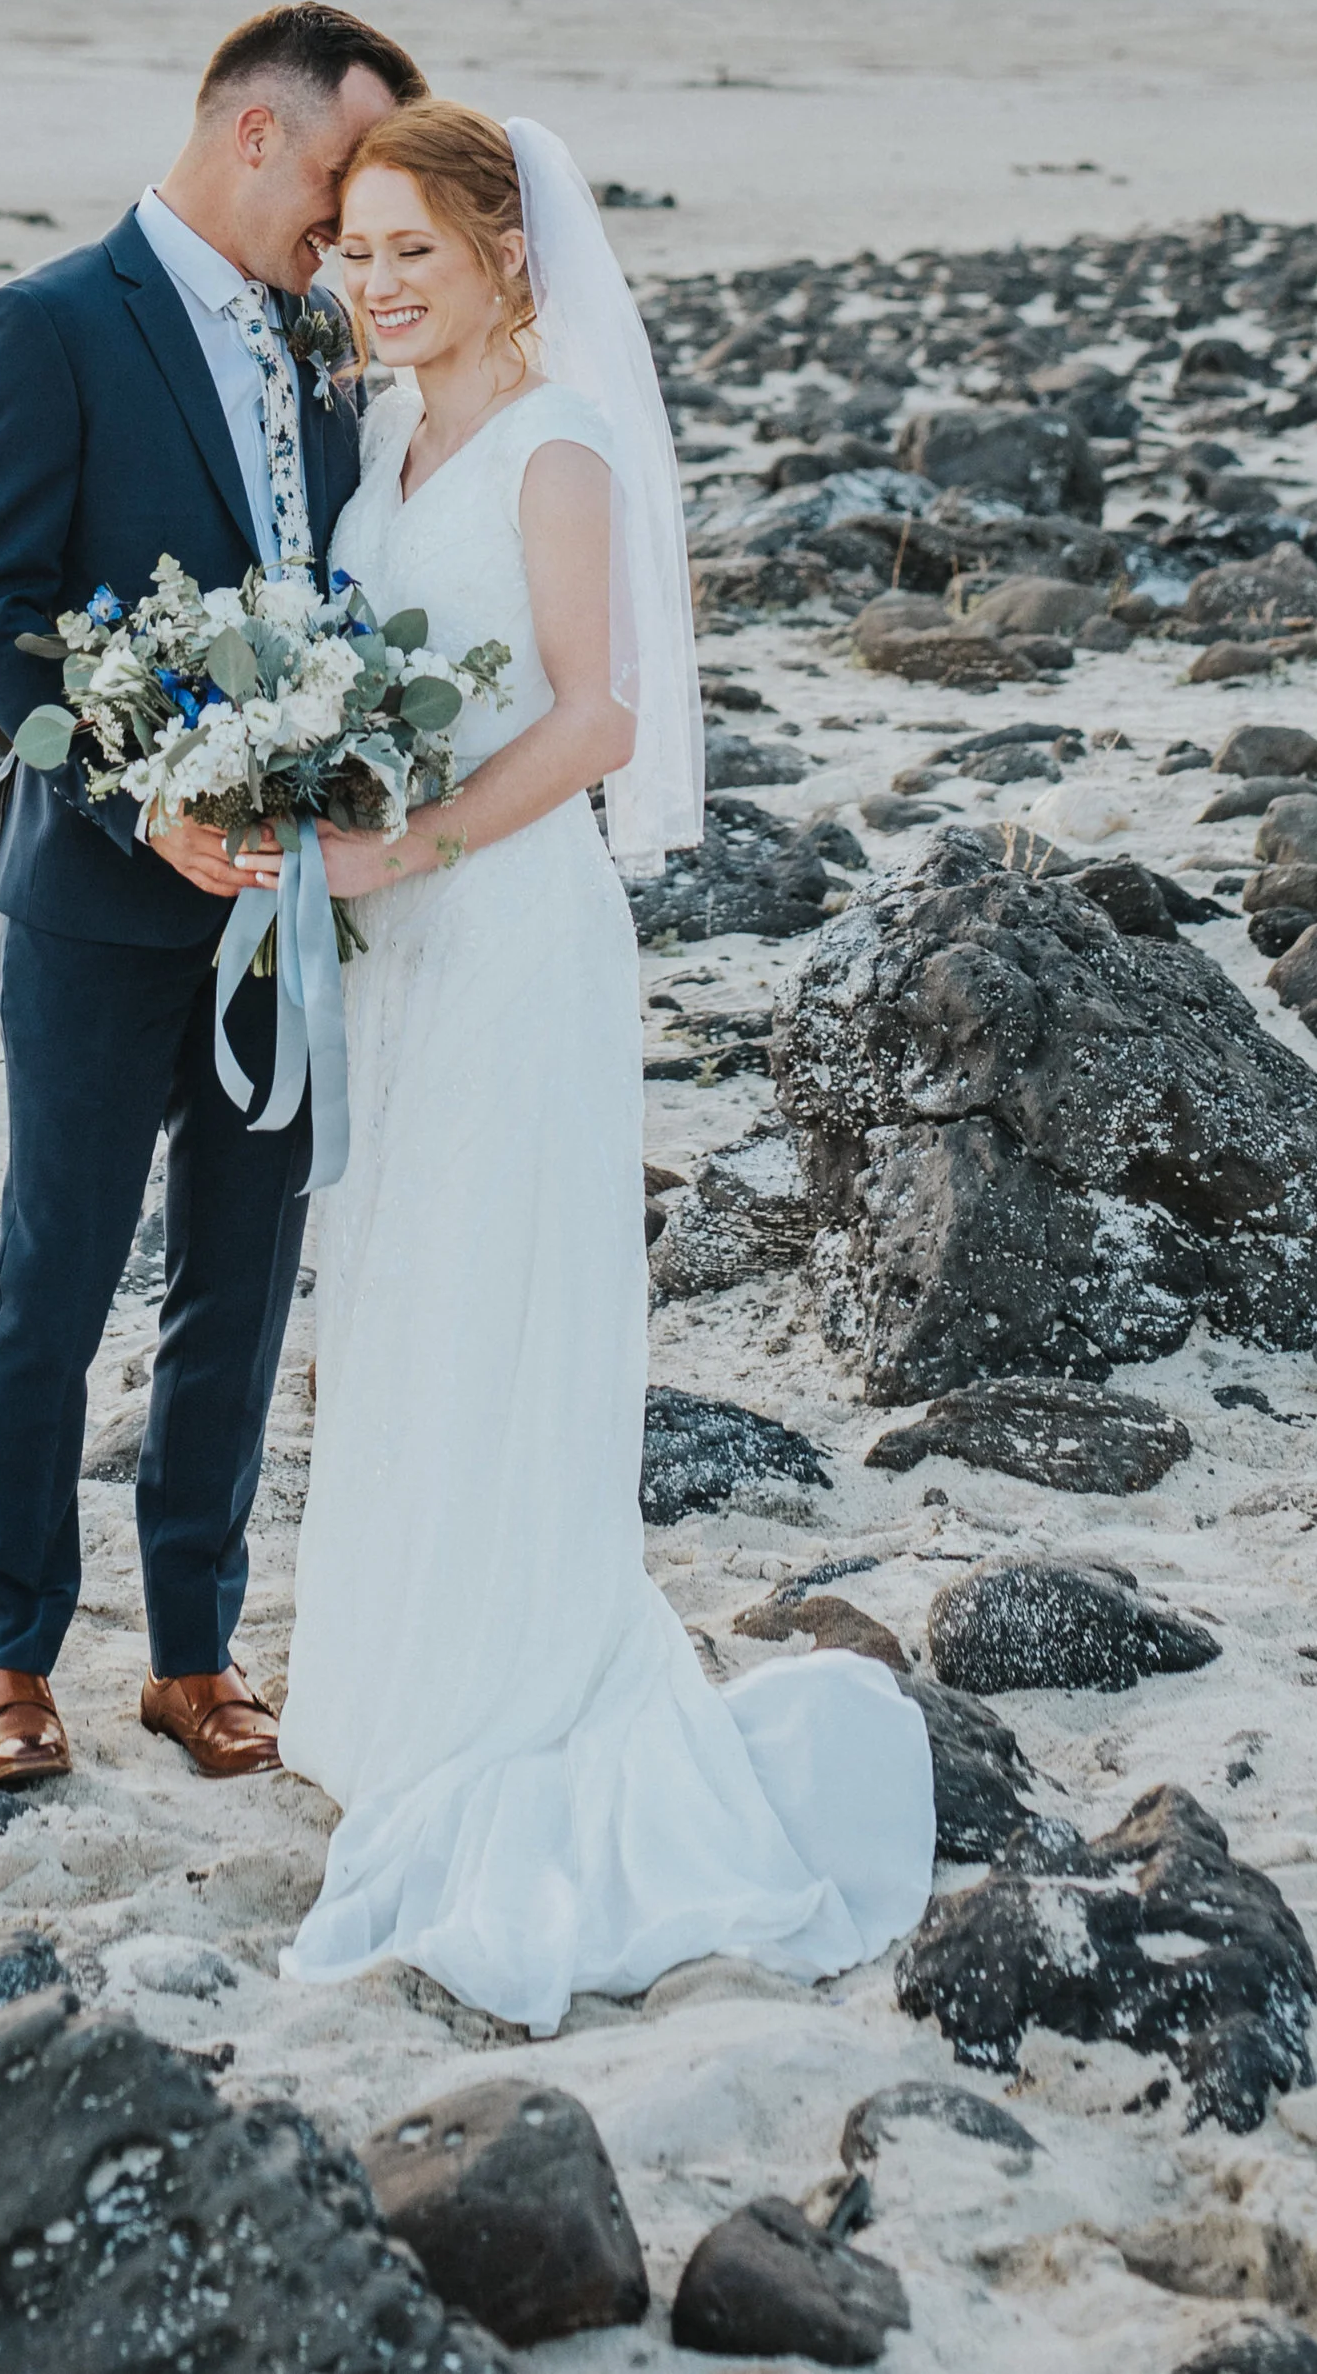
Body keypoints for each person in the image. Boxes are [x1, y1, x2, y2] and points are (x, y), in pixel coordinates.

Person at [278, 99, 935, 2034]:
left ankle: (509, 1690)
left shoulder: (558, 446)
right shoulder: (397, 441)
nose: (379, 286)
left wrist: (404, 845)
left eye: (416, 250)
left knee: (500, 1299)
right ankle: (399, 1692)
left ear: (504, 255)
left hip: (506, 936)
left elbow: (598, 718)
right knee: (403, 1302)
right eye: (355, 252)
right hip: (399, 956)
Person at [0, 1, 428, 1791]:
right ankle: (6, 1655)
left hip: (289, 903)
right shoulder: (48, 326)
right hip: (101, 902)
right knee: (53, 1274)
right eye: (338, 175)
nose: (348, 222)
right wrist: (150, 792)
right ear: (252, 137)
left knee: (242, 1280)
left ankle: (198, 1654)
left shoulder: (325, 353)